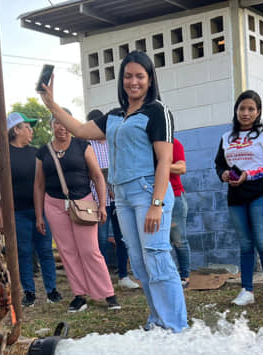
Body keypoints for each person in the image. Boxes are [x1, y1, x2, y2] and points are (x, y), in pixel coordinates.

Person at [40, 50, 187, 332]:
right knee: (141, 264)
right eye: (128, 76)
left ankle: (176, 327)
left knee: (156, 256)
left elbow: (165, 161)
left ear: (150, 79)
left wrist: (157, 202)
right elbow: (81, 130)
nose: (134, 81)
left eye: (140, 76)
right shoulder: (116, 115)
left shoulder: (157, 111)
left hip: (148, 192)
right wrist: (51, 104)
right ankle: (157, 320)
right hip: (123, 196)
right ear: (122, 80)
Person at [34, 110, 120, 312]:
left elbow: (98, 177)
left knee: (90, 250)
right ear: (51, 125)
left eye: (64, 123)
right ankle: (79, 295)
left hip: (83, 203)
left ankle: (108, 293)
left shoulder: (82, 145)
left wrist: (101, 205)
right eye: (56, 123)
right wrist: (39, 215)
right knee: (67, 251)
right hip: (54, 204)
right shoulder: (43, 151)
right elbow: (38, 185)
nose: (61, 127)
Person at [214, 90, 263, 309]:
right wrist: (224, 174)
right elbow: (220, 164)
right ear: (236, 111)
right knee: (245, 244)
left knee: (262, 242)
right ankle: (247, 290)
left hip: (259, 194)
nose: (245, 113)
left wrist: (249, 175)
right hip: (235, 196)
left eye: (251, 109)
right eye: (242, 108)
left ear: (258, 112)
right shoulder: (227, 138)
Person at [0, 112, 62, 307]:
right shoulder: (0, 154)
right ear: (16, 130)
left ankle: (52, 290)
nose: (31, 131)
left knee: (46, 250)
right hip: (16, 213)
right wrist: (0, 217)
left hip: (41, 211)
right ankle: (29, 292)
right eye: (27, 127)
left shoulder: (37, 152)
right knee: (22, 252)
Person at [86, 108, 139, 290]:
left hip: (119, 198)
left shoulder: (114, 141)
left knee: (123, 237)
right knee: (100, 239)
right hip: (97, 200)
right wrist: (106, 184)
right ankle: (103, 278)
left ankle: (123, 275)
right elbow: (89, 172)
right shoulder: (87, 145)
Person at [170, 138, 191, 287]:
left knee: (178, 240)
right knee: (160, 242)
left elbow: (181, 168)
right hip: (152, 199)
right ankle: (168, 275)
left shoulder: (174, 144)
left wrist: (162, 165)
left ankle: (184, 276)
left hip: (175, 196)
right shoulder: (145, 145)